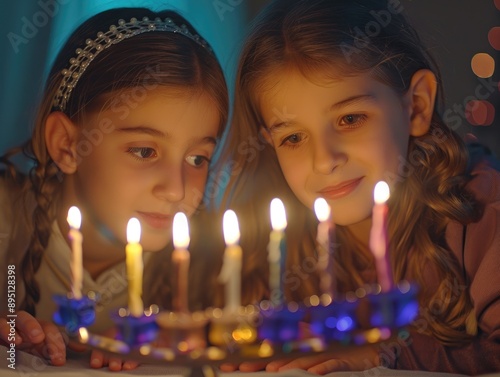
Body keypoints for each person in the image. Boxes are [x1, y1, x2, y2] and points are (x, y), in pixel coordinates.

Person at [216, 0, 500, 373]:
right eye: (294, 138)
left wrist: (384, 358)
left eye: (350, 118)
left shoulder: (481, 214)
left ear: (415, 105)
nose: (324, 160)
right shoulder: (280, 247)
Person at [0, 7, 228, 371]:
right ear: (67, 145)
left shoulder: (210, 263)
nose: (176, 190)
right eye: (144, 151)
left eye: (198, 158)